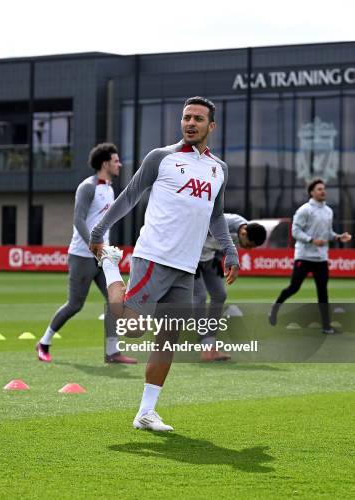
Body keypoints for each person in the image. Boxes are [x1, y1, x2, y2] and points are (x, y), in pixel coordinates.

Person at [90, 97, 239, 432]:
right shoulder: (161, 157)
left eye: (198, 119)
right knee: (133, 328)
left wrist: (230, 250)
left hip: (188, 267)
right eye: (186, 117)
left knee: (168, 339)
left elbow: (215, 215)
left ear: (210, 126)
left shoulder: (219, 169)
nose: (190, 123)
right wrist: (99, 231)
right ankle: (111, 266)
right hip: (154, 256)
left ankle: (146, 412)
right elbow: (129, 195)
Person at [36, 143, 136, 364]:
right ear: (105, 163)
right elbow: (78, 220)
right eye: (116, 160)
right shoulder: (87, 187)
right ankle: (44, 342)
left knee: (115, 302)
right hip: (83, 255)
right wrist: (95, 245)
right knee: (75, 304)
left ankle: (112, 353)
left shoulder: (109, 188)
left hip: (104, 257)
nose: (120, 164)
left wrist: (104, 250)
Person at [269, 179, 351, 333]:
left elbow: (328, 233)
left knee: (323, 292)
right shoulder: (304, 210)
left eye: (324, 189)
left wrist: (339, 237)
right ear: (312, 192)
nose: (323, 191)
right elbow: (295, 231)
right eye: (319, 189)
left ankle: (326, 327)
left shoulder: (328, 211)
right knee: (294, 288)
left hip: (321, 258)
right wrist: (311, 240)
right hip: (304, 257)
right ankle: (275, 308)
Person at [195, 214, 266, 361]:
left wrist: (219, 259)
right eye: (249, 245)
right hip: (190, 257)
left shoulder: (246, 231)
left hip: (209, 258)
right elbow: (192, 230)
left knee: (220, 295)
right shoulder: (226, 224)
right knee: (200, 296)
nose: (249, 249)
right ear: (243, 233)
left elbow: (222, 246)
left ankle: (211, 344)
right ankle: (206, 348)